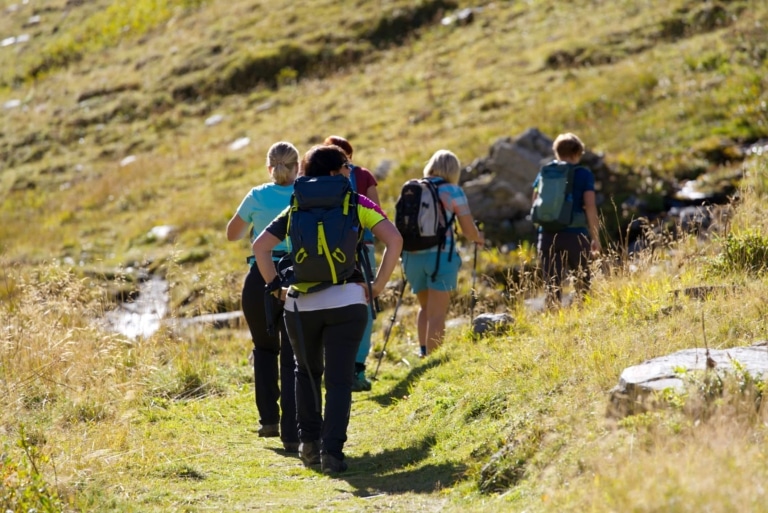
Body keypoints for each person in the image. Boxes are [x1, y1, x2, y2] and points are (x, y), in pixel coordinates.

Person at [252, 144, 403, 474]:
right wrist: (376, 286)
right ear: (335, 171)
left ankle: (309, 446)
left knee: (305, 375)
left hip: (300, 305)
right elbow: (394, 240)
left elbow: (260, 246)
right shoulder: (357, 202)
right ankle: (332, 453)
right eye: (347, 166)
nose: (351, 171)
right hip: (347, 301)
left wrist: (277, 287)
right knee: (338, 381)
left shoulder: (296, 204)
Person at [226, 141, 299, 453]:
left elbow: (233, 234)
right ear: (298, 167)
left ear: (270, 168)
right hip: (296, 274)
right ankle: (292, 425)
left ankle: (268, 419)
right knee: (292, 350)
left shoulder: (256, 195)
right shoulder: (305, 193)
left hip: (259, 276)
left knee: (264, 348)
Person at [401, 149, 484, 357]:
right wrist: (478, 238)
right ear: (453, 169)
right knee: (437, 313)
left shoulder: (414, 188)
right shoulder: (452, 190)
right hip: (441, 256)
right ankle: (434, 359)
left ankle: (423, 352)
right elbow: (467, 229)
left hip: (412, 256)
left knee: (425, 307)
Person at [323, 135, 379, 392]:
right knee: (364, 305)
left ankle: (331, 366)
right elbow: (376, 216)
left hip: (326, 250)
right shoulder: (364, 176)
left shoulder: (315, 180)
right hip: (363, 249)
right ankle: (357, 368)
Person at [532, 132, 601, 307]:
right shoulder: (584, 174)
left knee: (552, 286)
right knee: (582, 283)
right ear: (578, 152)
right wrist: (595, 237)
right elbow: (590, 206)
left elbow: (535, 201)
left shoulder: (545, 172)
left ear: (557, 152)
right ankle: (584, 318)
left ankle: (554, 323)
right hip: (575, 235)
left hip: (547, 235)